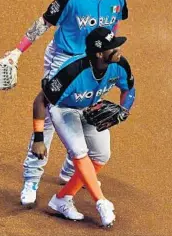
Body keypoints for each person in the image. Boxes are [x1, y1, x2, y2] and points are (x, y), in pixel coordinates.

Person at [3, 0, 130, 205]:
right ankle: (32, 177)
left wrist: (109, 49)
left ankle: (71, 171)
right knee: (50, 115)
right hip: (64, 58)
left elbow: (114, 25)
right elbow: (44, 23)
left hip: (94, 57)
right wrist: (17, 52)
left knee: (87, 110)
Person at [33, 27, 135, 227]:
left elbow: (128, 88)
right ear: (99, 53)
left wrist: (124, 109)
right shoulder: (72, 72)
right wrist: (38, 138)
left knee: (101, 155)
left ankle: (61, 199)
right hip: (64, 110)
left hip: (90, 110)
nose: (118, 49)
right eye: (112, 47)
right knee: (79, 152)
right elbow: (40, 101)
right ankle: (101, 202)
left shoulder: (120, 64)